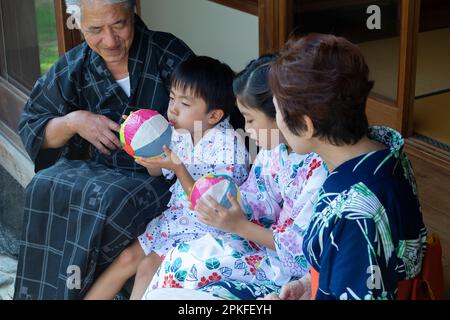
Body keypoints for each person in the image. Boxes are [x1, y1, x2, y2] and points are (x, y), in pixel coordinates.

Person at [15, 0, 194, 300]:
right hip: (100, 170)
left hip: (161, 176)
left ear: (133, 13)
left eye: (119, 25)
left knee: (110, 201)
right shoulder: (75, 66)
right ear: (78, 23)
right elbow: (33, 126)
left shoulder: (167, 53)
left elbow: (208, 114)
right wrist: (74, 122)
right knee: (43, 186)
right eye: (95, 29)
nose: (109, 41)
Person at [142, 55, 328, 300]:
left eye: (250, 120)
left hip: (285, 269)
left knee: (183, 268)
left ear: (284, 115)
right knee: (178, 261)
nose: (247, 129)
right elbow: (255, 199)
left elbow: (304, 250)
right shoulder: (275, 150)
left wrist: (239, 225)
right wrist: (227, 210)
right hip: (254, 239)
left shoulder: (320, 168)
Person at [268, 33, 427, 300]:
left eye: (278, 112)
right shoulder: (386, 151)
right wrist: (311, 283)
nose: (277, 122)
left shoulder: (354, 215)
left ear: (306, 126)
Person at [84, 56, 249, 300]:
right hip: (177, 218)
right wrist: (150, 157)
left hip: (207, 229)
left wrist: (179, 168)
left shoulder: (228, 147)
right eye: (172, 98)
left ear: (213, 116)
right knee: (127, 258)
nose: (172, 108)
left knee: (147, 267)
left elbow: (213, 206)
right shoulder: (181, 133)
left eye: (184, 103)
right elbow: (161, 171)